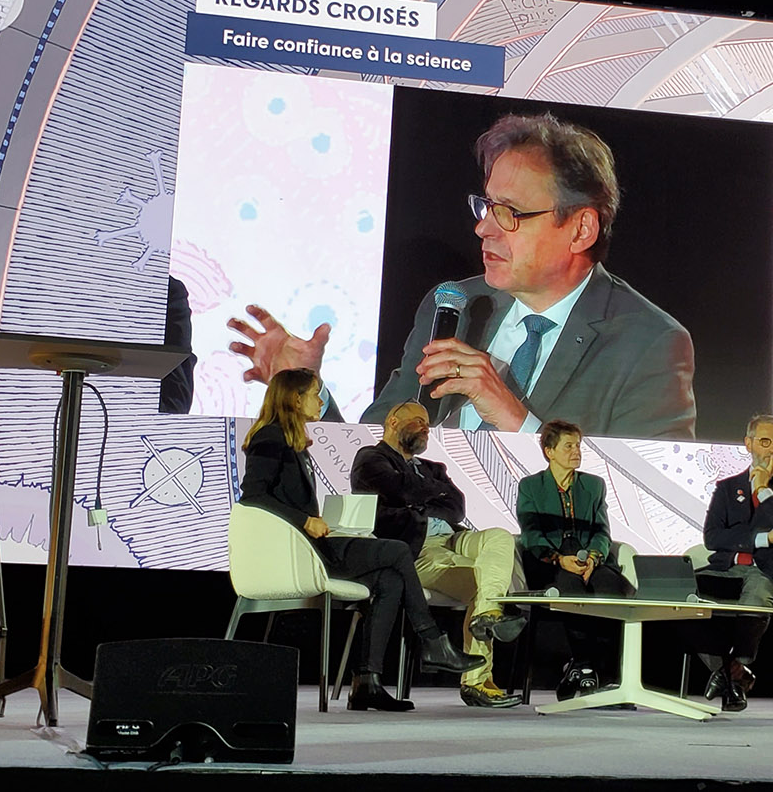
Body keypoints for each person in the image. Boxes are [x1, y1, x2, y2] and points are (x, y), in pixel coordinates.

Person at [227, 113, 696, 440]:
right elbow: (371, 455)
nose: (483, 228)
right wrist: (305, 389)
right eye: (486, 206)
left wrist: (515, 419)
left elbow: (644, 505)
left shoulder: (651, 343)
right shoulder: (454, 305)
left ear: (580, 228)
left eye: (509, 212)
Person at [238, 369, 482, 712]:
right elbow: (253, 496)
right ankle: (432, 641)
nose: (321, 401)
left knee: (390, 579)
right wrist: (304, 519)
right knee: (396, 551)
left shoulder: (291, 440)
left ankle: (366, 683)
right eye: (314, 394)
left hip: (310, 544)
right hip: (298, 551)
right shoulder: (270, 437)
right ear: (294, 398)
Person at [349, 400, 526, 709]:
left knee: (499, 539)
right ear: (392, 420)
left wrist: (417, 494)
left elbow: (457, 505)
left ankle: (487, 619)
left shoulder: (432, 468)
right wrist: (427, 493)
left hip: (452, 540)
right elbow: (399, 491)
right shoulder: (370, 458)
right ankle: (478, 682)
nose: (425, 427)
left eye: (427, 423)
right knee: (485, 589)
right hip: (415, 552)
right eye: (417, 420)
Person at [695, 414, 773, 711]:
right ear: (748, 444)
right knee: (685, 595)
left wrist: (764, 491)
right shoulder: (726, 487)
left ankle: (734, 668)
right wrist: (760, 539)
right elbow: (712, 537)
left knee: (755, 599)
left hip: (766, 570)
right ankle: (735, 675)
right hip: (727, 566)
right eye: (765, 441)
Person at [516, 419, 636, 700]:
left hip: (589, 559)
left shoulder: (593, 485)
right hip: (550, 561)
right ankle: (583, 665)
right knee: (569, 587)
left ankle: (604, 672)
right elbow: (531, 534)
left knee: (610, 586)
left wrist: (594, 558)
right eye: (568, 446)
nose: (576, 451)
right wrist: (559, 559)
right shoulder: (531, 486)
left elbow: (601, 531)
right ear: (549, 451)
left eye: (578, 445)